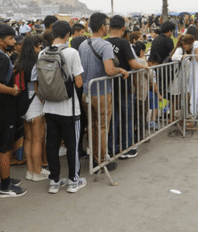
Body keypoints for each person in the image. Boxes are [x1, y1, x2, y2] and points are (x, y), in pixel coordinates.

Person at [33, 21, 87, 193]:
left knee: (52, 145)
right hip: (69, 109)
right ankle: (73, 180)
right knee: (73, 145)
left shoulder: (42, 52)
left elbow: (37, 82)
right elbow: (78, 82)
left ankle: (54, 181)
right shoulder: (72, 52)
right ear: (68, 34)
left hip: (49, 107)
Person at [78, 13, 129, 172]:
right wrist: (120, 69)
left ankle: (95, 158)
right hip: (100, 93)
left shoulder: (83, 45)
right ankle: (100, 161)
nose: (108, 27)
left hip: (86, 92)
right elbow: (109, 69)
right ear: (102, 27)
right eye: (106, 24)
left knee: (92, 127)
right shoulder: (105, 45)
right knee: (101, 128)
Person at [0, 24, 28, 198]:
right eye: (10, 38)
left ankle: (6, 179)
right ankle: (4, 187)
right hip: (3, 109)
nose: (13, 41)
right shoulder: (2, 58)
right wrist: (13, 90)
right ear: (1, 40)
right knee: (4, 147)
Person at [106, 15, 147, 159]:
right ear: (123, 29)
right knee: (127, 118)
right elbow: (133, 64)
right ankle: (127, 147)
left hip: (109, 87)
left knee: (113, 119)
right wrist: (143, 66)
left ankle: (112, 148)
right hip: (124, 86)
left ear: (109, 27)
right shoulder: (123, 43)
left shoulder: (104, 43)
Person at [13, 34, 49, 182]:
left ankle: (30, 170)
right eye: (38, 45)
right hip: (35, 104)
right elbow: (38, 87)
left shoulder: (18, 62)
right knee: (37, 140)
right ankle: (37, 171)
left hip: (22, 104)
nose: (40, 47)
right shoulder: (36, 63)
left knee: (28, 139)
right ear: (32, 47)